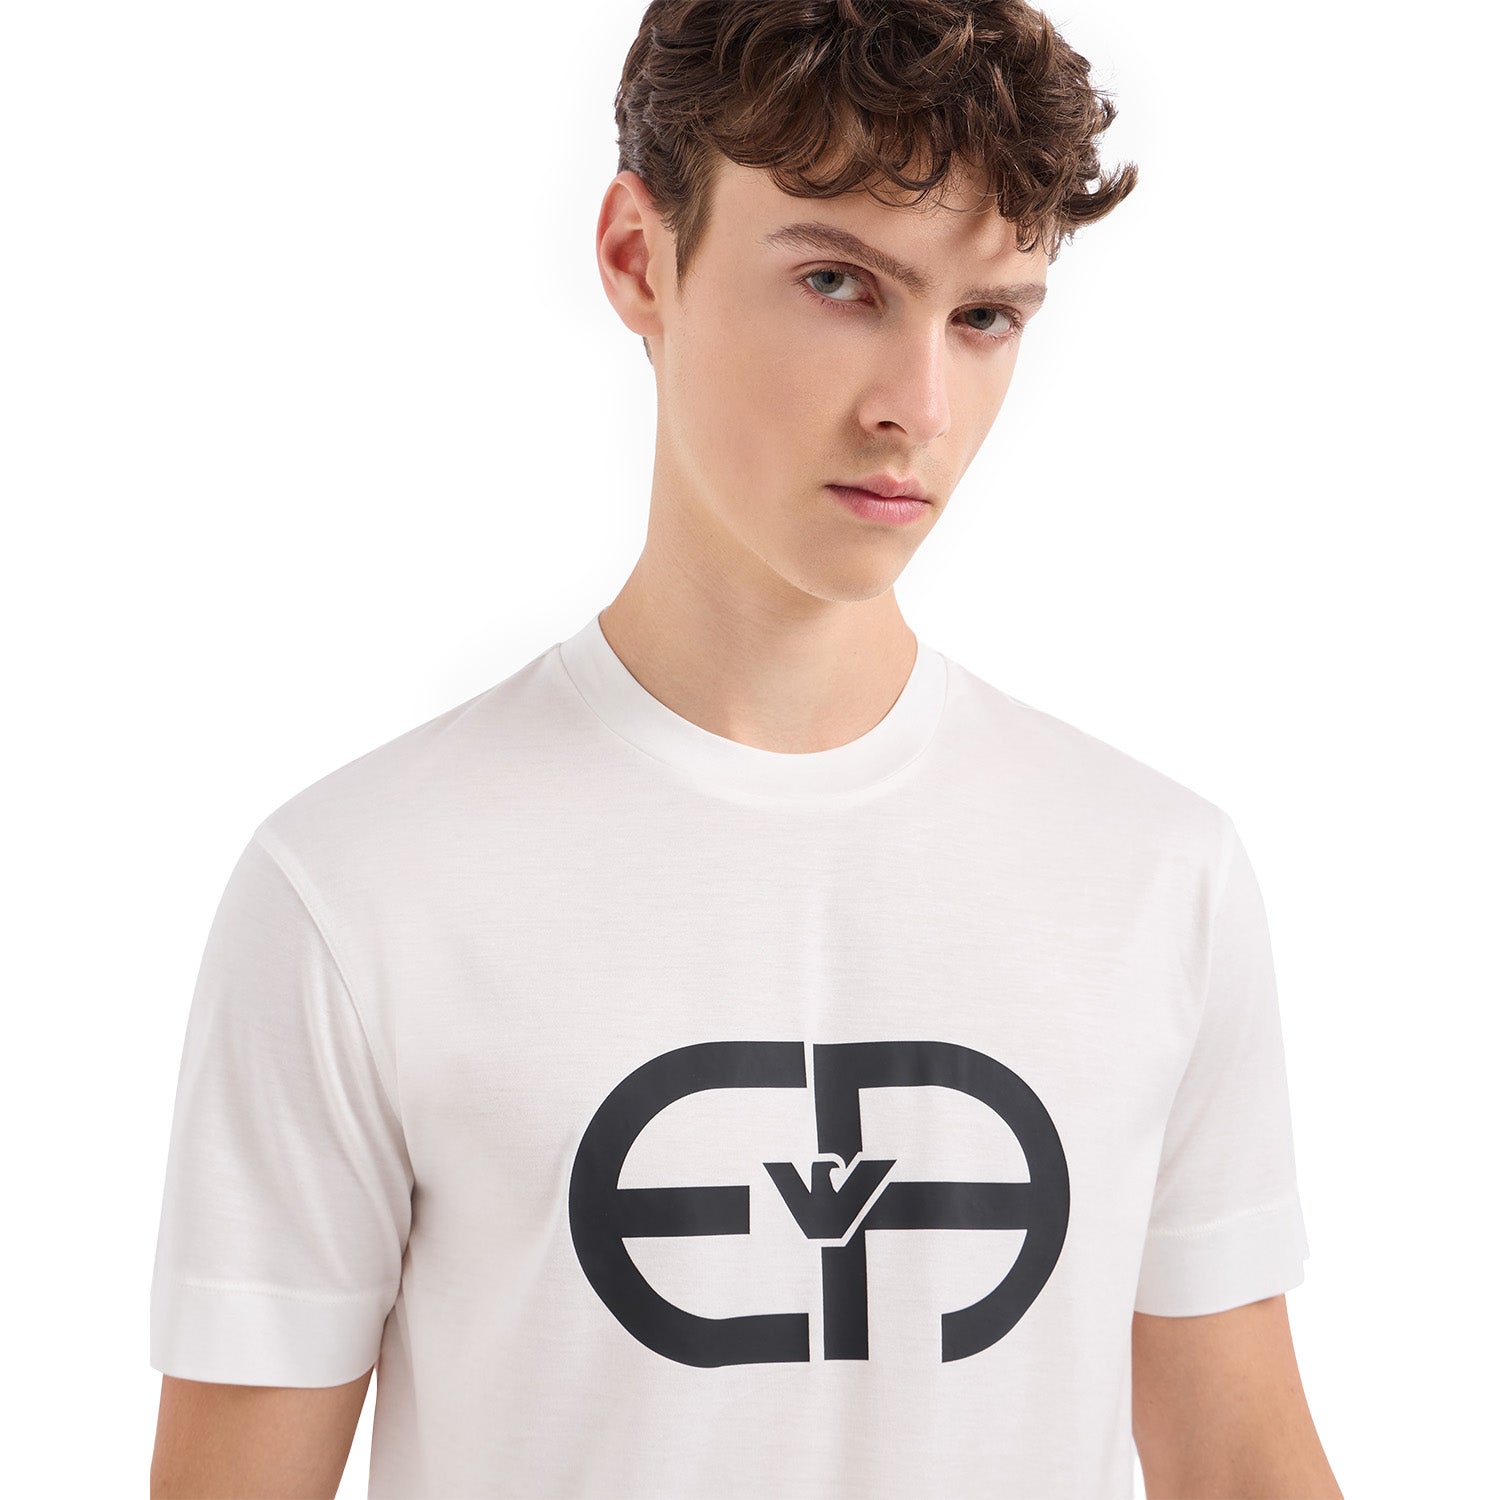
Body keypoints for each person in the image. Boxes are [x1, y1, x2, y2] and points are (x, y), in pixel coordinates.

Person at [148, 2, 1342, 1496]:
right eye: (841, 282)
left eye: (985, 318)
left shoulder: (1159, 877)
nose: (917, 407)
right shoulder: (356, 890)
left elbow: (1240, 1463)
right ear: (637, 259)